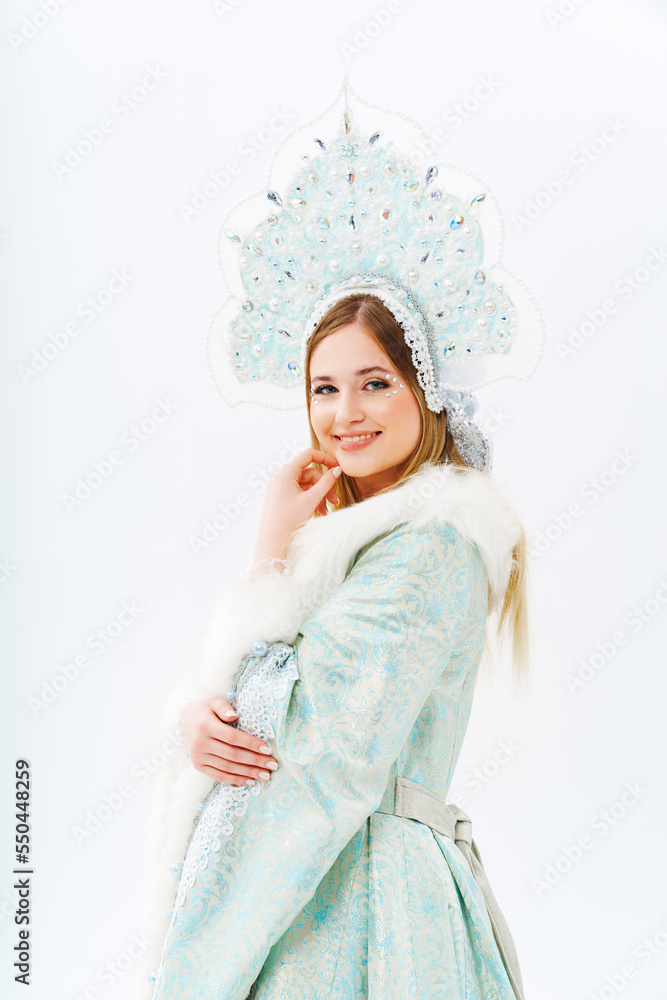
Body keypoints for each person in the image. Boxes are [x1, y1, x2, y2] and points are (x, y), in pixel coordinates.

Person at [138, 81, 544, 1000]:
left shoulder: (434, 543)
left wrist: (268, 567)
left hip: (361, 908)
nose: (345, 412)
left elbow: (311, 745)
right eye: (324, 388)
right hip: (315, 892)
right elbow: (262, 724)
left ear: (424, 390)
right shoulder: (353, 546)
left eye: (375, 383)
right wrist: (203, 716)